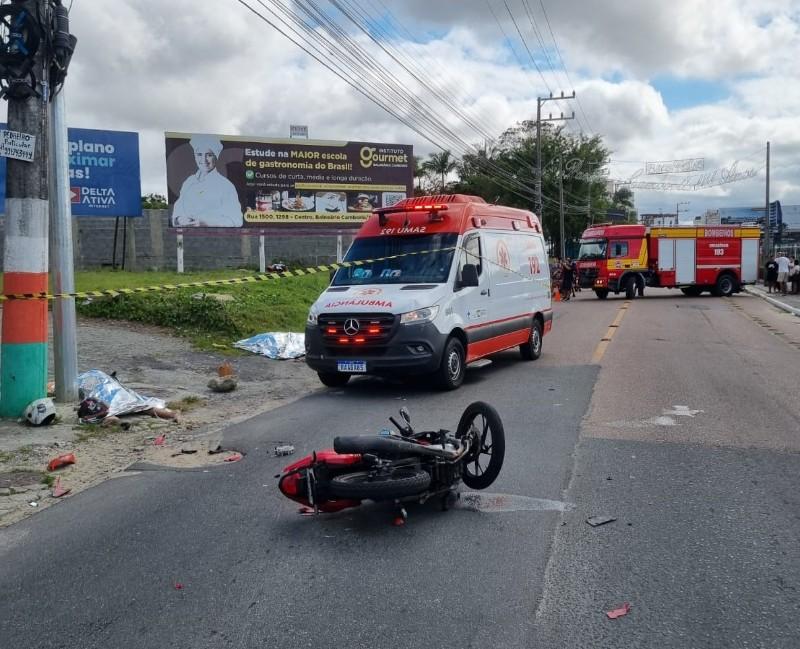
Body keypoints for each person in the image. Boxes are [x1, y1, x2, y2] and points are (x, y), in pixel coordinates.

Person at [172, 135, 243, 227]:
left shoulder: (226, 186)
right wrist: (180, 220)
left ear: (216, 157)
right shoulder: (189, 182)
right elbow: (178, 210)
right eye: (199, 154)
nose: (203, 159)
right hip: (187, 236)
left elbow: (236, 220)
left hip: (215, 238)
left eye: (209, 155)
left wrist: (205, 223)